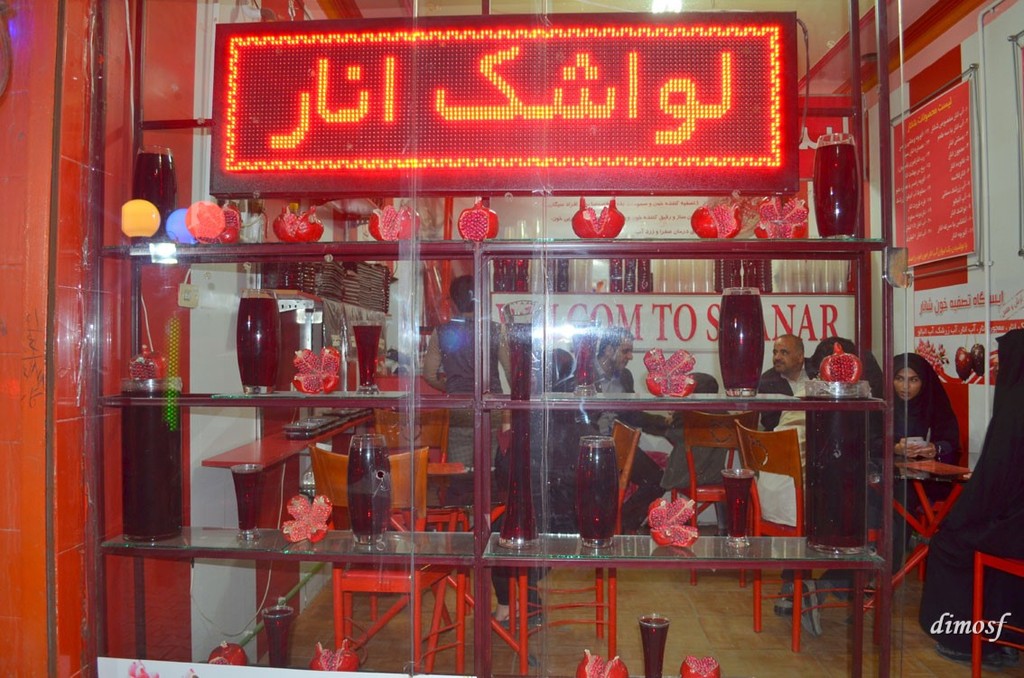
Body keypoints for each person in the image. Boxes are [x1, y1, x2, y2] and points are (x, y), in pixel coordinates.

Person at [919, 329, 1024, 670]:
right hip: (1015, 523)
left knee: (950, 542)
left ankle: (967, 641)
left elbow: (992, 483)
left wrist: (958, 519)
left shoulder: (1015, 409)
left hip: (1013, 529)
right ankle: (1006, 638)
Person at [422, 274, 509, 465]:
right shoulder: (496, 330)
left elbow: (429, 374)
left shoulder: (441, 332)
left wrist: (450, 386)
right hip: (490, 408)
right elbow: (511, 372)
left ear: (453, 302)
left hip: (459, 409)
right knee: (488, 470)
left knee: (460, 471)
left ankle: (461, 485)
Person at [618, 373, 720, 533]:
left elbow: (669, 432)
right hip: (716, 476)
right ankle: (724, 528)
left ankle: (623, 521)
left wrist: (674, 417)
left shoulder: (688, 419)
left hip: (687, 477)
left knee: (656, 480)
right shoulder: (724, 417)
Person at [757, 334, 811, 432]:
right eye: (775, 352)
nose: (777, 357)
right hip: (785, 436)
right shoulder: (766, 382)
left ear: (800, 357)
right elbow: (770, 422)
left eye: (784, 352)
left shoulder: (817, 369)